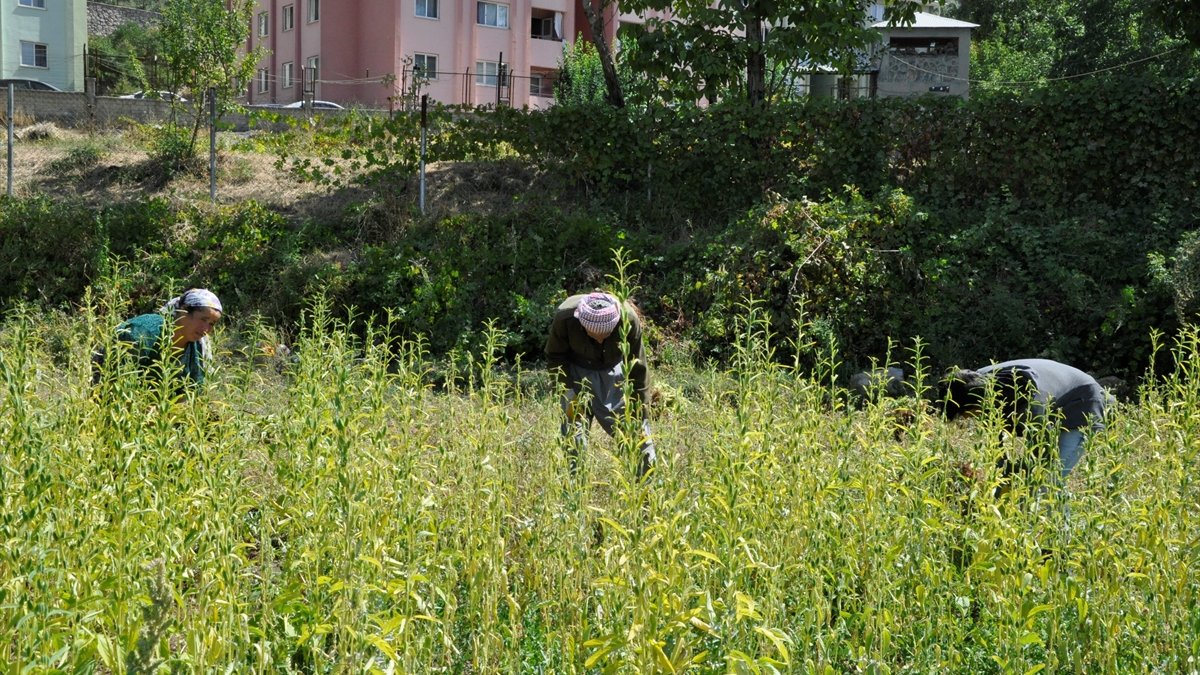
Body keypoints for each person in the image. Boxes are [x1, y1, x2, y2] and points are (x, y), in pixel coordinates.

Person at [940, 358, 1111, 488]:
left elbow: (1044, 451)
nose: (966, 418)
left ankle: (1059, 525)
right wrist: (1001, 473)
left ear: (976, 403)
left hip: (1083, 403)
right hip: (1055, 396)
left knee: (1049, 482)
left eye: (965, 413)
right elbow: (996, 446)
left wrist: (1018, 473)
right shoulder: (973, 383)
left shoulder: (1030, 401)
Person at [545, 290, 656, 478]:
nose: (600, 339)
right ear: (582, 323)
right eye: (593, 334)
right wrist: (567, 390)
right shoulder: (565, 318)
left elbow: (638, 367)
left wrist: (640, 409)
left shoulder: (628, 320)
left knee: (637, 436)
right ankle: (575, 486)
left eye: (606, 334)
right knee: (574, 436)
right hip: (576, 375)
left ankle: (646, 485)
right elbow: (555, 356)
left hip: (615, 377)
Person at [94, 288, 223, 389]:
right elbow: (115, 380)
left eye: (211, 323)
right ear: (184, 311)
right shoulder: (143, 332)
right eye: (203, 319)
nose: (206, 329)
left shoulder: (197, 346)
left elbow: (193, 389)